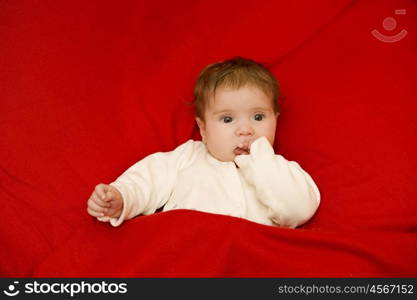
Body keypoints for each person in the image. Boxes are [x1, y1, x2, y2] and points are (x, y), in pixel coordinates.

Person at [87, 57, 320, 228]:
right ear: (203, 129)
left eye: (258, 117)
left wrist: (261, 159)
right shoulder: (187, 157)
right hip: (192, 252)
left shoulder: (281, 170)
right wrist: (120, 197)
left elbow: (298, 210)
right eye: (227, 119)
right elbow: (147, 180)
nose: (246, 130)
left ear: (275, 120)